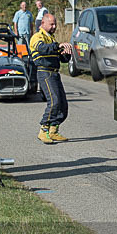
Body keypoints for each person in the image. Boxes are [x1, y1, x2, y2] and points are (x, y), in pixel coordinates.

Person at [29, 13, 72, 144]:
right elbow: (43, 49)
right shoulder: (37, 37)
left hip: (55, 73)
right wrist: (58, 46)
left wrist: (66, 54)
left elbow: (61, 58)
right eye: (51, 24)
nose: (54, 27)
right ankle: (44, 130)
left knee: (63, 105)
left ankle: (53, 130)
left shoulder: (52, 39)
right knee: (54, 101)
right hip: (44, 72)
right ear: (43, 23)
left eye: (55, 24)